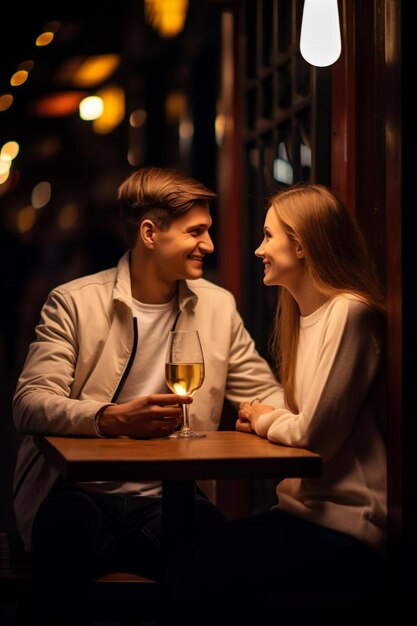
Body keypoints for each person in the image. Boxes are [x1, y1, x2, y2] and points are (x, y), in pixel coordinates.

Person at [12, 167, 283, 625]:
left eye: (209, 231)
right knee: (59, 559)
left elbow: (264, 393)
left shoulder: (217, 306)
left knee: (216, 567)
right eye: (196, 232)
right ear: (149, 233)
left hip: (171, 499)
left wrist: (293, 415)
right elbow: (30, 401)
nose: (210, 245)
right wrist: (111, 419)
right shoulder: (74, 302)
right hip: (80, 494)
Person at [172, 183, 387, 624]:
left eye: (268, 236)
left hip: (347, 526)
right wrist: (273, 419)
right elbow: (307, 423)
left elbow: (315, 437)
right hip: (301, 514)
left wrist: (267, 418)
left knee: (193, 566)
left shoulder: (350, 313)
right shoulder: (305, 317)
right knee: (185, 553)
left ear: (303, 244)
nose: (257, 250)